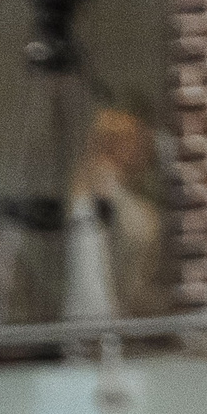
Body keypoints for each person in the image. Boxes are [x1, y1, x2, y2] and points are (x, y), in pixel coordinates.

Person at [64, 107, 167, 321]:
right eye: (134, 142)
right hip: (100, 304)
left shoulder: (108, 182)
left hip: (110, 302)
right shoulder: (100, 179)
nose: (141, 150)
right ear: (115, 144)